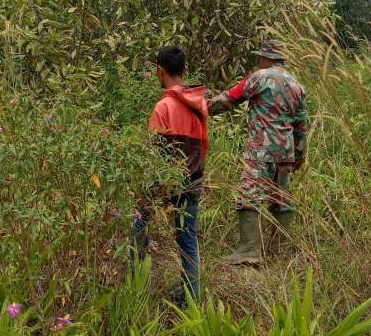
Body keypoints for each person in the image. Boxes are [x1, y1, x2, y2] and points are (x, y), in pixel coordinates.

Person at [207, 39, 307, 265]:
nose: (259, 60)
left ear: (267, 57)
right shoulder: (297, 85)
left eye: (260, 56)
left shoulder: (258, 76)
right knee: (282, 198)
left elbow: (229, 98)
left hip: (260, 149)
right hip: (286, 151)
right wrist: (299, 155)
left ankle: (248, 251)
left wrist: (202, 109)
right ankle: (279, 251)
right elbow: (302, 125)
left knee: (249, 195)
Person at [130, 45, 208, 305]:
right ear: (185, 70)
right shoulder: (200, 106)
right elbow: (204, 145)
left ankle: (135, 285)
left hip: (165, 180)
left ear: (159, 71)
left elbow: (153, 152)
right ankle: (191, 299)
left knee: (139, 222)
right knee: (188, 238)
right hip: (194, 178)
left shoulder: (163, 107)